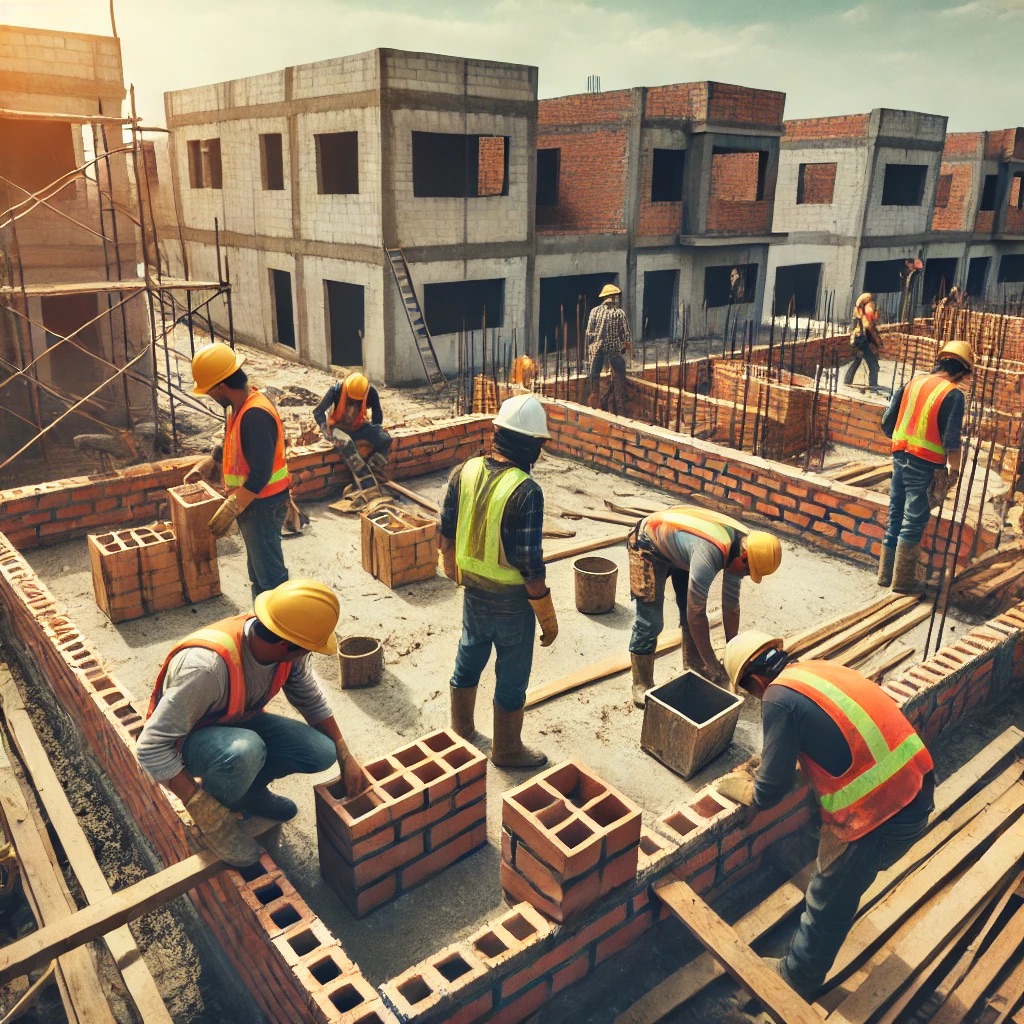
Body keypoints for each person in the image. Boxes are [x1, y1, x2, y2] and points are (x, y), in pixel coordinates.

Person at [717, 631, 934, 999]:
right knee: (833, 863)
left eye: (750, 693)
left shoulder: (777, 698)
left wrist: (740, 787)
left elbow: (769, 792)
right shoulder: (816, 670)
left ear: (754, 681)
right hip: (919, 786)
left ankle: (797, 978)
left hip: (883, 814)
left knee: (828, 898)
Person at [137, 579, 371, 867]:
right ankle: (217, 814)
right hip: (189, 743)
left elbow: (311, 700)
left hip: (235, 725)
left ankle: (249, 794)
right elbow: (150, 747)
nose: (308, 655)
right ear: (287, 645)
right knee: (246, 751)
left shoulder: (284, 646)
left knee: (321, 750)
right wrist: (199, 806)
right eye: (307, 649)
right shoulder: (206, 669)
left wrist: (344, 752)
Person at [439, 394, 558, 768]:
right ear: (532, 445)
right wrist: (546, 613)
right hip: (512, 602)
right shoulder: (526, 490)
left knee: (469, 655)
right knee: (512, 672)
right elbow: (530, 564)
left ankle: (461, 732)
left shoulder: (465, 471)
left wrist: (453, 568)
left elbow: (444, 531)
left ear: (497, 433)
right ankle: (506, 750)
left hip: (473, 593)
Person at [627, 507, 782, 705]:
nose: (744, 576)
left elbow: (731, 606)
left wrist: (732, 655)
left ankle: (694, 664)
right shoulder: (710, 553)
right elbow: (697, 615)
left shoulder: (745, 548)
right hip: (647, 543)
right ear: (744, 559)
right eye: (747, 572)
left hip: (681, 545)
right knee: (651, 622)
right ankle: (641, 683)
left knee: (685, 607)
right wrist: (713, 665)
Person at [186, 343, 291, 601]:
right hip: (254, 503)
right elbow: (233, 438)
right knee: (258, 573)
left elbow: (261, 474)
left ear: (221, 386)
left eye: (209, 391)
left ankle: (284, 631)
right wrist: (212, 461)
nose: (210, 397)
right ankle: (265, 623)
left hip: (263, 504)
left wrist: (233, 507)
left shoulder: (255, 414)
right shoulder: (241, 404)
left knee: (271, 578)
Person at [878, 340, 973, 593]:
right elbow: (951, 439)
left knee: (895, 513)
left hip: (900, 455)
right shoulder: (953, 394)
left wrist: (905, 438)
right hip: (925, 464)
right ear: (960, 371)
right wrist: (955, 468)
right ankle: (902, 582)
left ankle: (885, 575)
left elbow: (887, 423)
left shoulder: (914, 382)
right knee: (914, 519)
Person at [313, 372, 392, 495]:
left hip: (358, 426)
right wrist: (324, 430)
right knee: (346, 442)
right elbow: (318, 411)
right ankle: (366, 483)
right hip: (337, 427)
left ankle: (372, 469)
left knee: (385, 438)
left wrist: (374, 435)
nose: (354, 405)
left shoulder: (371, 392)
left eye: (358, 402)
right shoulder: (336, 391)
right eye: (351, 400)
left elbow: (377, 419)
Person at [586, 283, 631, 414]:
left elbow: (589, 333)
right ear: (613, 297)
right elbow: (626, 336)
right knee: (620, 374)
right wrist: (624, 348)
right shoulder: (619, 313)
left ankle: (595, 402)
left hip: (597, 350)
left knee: (594, 376)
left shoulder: (594, 312)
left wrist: (592, 348)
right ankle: (620, 405)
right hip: (613, 350)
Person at [842, 292, 885, 394]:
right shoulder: (866, 313)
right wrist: (878, 341)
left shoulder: (858, 311)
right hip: (861, 339)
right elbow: (869, 327)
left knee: (858, 359)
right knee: (873, 364)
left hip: (858, 339)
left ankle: (847, 380)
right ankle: (873, 385)